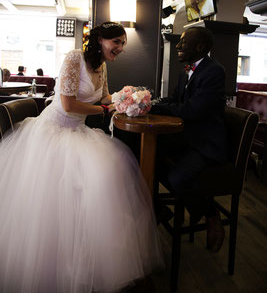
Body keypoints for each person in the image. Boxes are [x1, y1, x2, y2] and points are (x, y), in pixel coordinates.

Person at [0, 22, 163, 293]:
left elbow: (106, 96)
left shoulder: (102, 66)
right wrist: (103, 108)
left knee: (106, 179)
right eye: (117, 42)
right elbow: (68, 103)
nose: (120, 48)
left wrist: (125, 99)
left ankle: (88, 259)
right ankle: (61, 265)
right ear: (99, 39)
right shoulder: (74, 58)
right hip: (53, 132)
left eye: (123, 44)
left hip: (78, 131)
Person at [151, 26, 226, 253]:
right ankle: (158, 208)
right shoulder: (186, 71)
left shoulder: (214, 72)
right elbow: (175, 99)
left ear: (200, 47)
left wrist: (158, 107)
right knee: (145, 155)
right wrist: (151, 102)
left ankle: (211, 214)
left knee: (177, 177)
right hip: (185, 139)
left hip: (205, 144)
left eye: (183, 42)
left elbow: (192, 110)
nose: (178, 46)